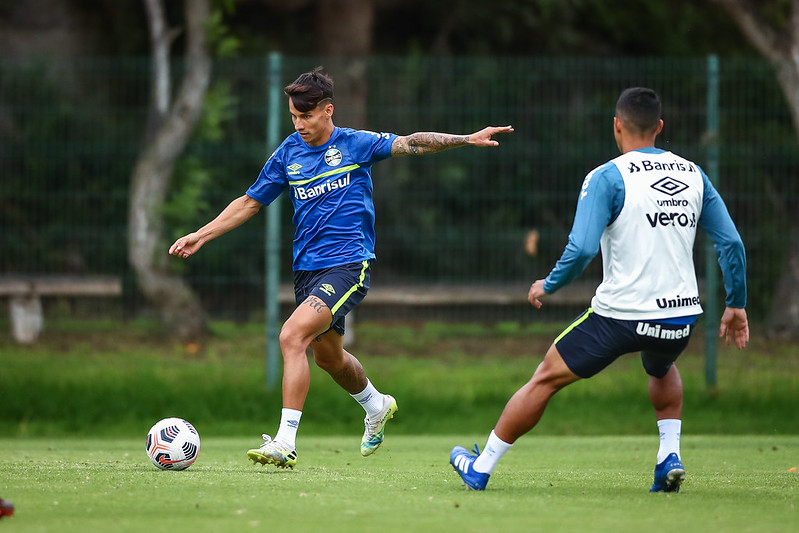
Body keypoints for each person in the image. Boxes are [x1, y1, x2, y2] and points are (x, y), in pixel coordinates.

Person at [169, 66, 513, 469]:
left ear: (328, 110)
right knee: (329, 358)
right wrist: (202, 234)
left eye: (307, 116)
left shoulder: (356, 144)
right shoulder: (287, 155)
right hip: (307, 270)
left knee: (291, 336)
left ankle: (284, 442)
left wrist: (465, 139)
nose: (299, 125)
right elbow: (250, 202)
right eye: (294, 117)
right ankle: (376, 405)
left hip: (349, 264)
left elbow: (411, 144)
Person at [450, 87, 748, 492]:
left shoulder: (607, 176)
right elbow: (731, 243)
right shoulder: (694, 174)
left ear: (617, 126)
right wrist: (737, 305)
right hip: (679, 315)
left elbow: (582, 248)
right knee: (661, 367)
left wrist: (548, 284)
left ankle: (480, 467)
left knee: (544, 379)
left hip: (619, 318)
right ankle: (668, 457)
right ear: (659, 127)